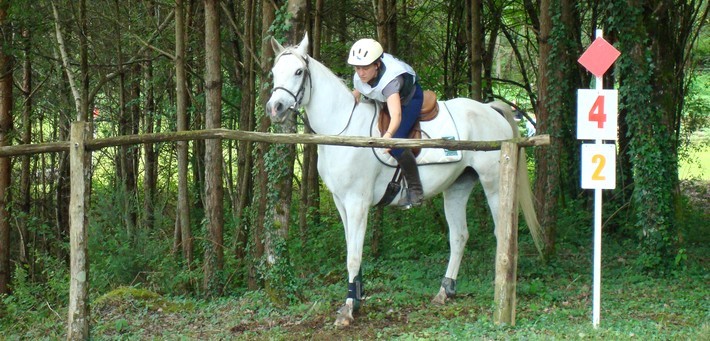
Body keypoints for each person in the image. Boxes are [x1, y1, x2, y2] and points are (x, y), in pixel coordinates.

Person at [348, 38, 424, 209]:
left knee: (396, 142)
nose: (360, 73)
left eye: (365, 68)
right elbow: (357, 93)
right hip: (385, 99)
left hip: (408, 100)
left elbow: (396, 115)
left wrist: (388, 136)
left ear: (376, 65)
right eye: (357, 68)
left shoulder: (391, 81)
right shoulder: (363, 74)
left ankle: (416, 190)